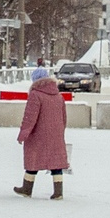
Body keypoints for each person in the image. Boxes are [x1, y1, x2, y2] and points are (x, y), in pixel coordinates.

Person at [13, 67, 69, 198]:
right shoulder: (58, 96)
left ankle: (27, 189)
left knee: (33, 159)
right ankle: (58, 192)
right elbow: (64, 117)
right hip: (56, 134)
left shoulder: (35, 95)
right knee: (56, 161)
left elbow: (30, 117)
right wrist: (60, 131)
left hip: (38, 134)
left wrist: (23, 133)